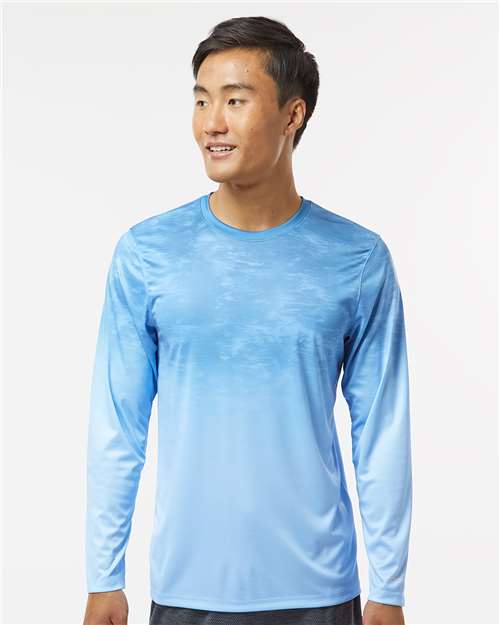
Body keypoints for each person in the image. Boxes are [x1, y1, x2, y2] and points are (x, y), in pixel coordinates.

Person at [83, 15, 412, 625]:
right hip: (187, 591)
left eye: (235, 100)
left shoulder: (358, 258)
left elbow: (381, 431)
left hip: (318, 591)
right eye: (202, 100)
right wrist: (104, 576)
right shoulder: (147, 254)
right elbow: (117, 427)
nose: (212, 122)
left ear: (293, 115)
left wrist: (388, 589)